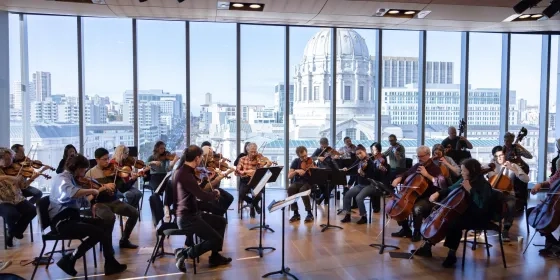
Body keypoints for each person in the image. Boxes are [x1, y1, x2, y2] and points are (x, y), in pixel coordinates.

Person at [49, 154, 127, 277]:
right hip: (62, 222)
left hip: (72, 217)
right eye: (84, 169)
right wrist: (92, 190)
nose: (84, 172)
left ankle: (109, 261)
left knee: (104, 224)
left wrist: (98, 192)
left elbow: (82, 202)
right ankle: (71, 259)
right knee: (99, 232)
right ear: (77, 167)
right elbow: (72, 193)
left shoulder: (73, 179)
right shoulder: (62, 178)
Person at [412, 158, 493, 268]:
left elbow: (482, 205)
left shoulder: (484, 185)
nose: (462, 172)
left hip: (477, 215)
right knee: (436, 212)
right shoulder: (464, 180)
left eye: (464, 170)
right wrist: (438, 193)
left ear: (471, 171)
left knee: (454, 222)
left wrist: (470, 190)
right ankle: (427, 247)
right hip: (463, 212)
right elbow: (451, 188)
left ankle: (451, 255)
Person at [173, 145, 232, 272]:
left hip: (193, 213)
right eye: (201, 158)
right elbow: (202, 196)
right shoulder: (186, 175)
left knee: (221, 221)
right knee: (215, 239)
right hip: (187, 218)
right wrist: (215, 193)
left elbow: (194, 191)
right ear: (197, 158)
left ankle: (215, 256)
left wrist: (207, 180)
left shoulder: (184, 171)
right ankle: (184, 254)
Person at [390, 146, 447, 242]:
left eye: (421, 156)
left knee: (417, 208)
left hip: (428, 197)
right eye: (418, 156)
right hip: (414, 195)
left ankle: (417, 232)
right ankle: (406, 229)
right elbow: (407, 173)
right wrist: (399, 178)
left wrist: (427, 175)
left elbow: (442, 184)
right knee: (398, 204)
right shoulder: (417, 166)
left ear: (428, 155)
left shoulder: (435, 168)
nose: (419, 158)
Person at [85, 148, 139, 249]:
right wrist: (104, 187)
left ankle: (124, 240)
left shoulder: (114, 170)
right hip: (99, 203)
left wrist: (131, 179)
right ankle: (107, 246)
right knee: (110, 218)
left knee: (134, 213)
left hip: (114, 201)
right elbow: (90, 195)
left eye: (108, 158)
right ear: (97, 159)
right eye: (104, 159)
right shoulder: (90, 174)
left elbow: (122, 188)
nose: (107, 161)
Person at [488, 146, 529, 242]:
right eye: (496, 156)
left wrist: (513, 169)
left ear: (505, 155)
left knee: (511, 204)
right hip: (493, 193)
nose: (499, 158)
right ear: (494, 157)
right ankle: (482, 225)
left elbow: (526, 179)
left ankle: (506, 228)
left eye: (501, 155)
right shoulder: (491, 165)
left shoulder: (512, 165)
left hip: (508, 193)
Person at [0, 147, 37, 247]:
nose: (10, 161)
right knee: (12, 214)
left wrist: (31, 179)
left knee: (32, 210)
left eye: (11, 158)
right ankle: (13, 233)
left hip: (18, 198)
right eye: (6, 159)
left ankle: (13, 233)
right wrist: (9, 177)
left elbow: (23, 186)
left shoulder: (15, 169)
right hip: (2, 201)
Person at [340, 144, 386, 224]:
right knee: (347, 195)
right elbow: (352, 167)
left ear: (364, 151)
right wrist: (346, 169)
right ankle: (347, 215)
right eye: (357, 154)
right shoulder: (359, 160)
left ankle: (364, 217)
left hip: (370, 185)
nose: (359, 155)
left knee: (359, 197)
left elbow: (373, 176)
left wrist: (363, 174)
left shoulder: (371, 162)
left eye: (360, 153)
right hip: (361, 185)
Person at [196, 145, 234, 216]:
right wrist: (219, 177)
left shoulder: (208, 165)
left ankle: (219, 214)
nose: (212, 158)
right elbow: (205, 187)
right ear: (203, 156)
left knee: (229, 197)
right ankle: (216, 216)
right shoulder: (199, 167)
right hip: (206, 190)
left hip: (212, 187)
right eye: (210, 156)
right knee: (218, 200)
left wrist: (217, 173)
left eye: (212, 155)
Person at [529, 167, 560, 255]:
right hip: (552, 202)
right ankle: (551, 242)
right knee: (531, 213)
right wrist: (540, 184)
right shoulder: (559, 172)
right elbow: (550, 181)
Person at [147, 141, 179, 217]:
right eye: (161, 148)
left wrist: (173, 162)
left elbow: (168, 169)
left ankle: (166, 206)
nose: (163, 150)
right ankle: (159, 209)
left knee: (170, 187)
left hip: (164, 176)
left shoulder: (166, 158)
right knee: (160, 189)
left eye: (164, 148)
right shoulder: (152, 157)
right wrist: (153, 162)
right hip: (154, 177)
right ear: (157, 148)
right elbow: (144, 164)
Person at [110, 145, 143, 209]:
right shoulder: (113, 164)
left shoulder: (125, 163)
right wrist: (132, 179)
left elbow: (128, 179)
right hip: (118, 187)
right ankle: (122, 210)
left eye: (128, 153)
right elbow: (121, 186)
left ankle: (132, 210)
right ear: (120, 153)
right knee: (129, 195)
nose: (127, 155)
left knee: (139, 194)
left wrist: (133, 177)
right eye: (126, 153)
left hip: (126, 186)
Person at [287, 146, 314, 223]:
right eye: (302, 157)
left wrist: (312, 170)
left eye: (306, 155)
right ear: (298, 156)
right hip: (298, 182)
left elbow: (316, 176)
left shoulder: (311, 161)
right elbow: (289, 176)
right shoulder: (295, 161)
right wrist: (296, 171)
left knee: (303, 190)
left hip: (308, 183)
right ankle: (296, 213)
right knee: (290, 189)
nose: (305, 158)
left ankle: (309, 213)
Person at [236, 142, 264, 216]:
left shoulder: (258, 158)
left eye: (255, 151)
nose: (253, 153)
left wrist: (265, 163)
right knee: (241, 194)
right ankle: (254, 204)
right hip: (245, 180)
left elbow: (262, 169)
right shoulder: (242, 159)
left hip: (256, 180)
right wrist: (247, 172)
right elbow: (237, 170)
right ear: (247, 150)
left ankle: (252, 205)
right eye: (252, 151)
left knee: (258, 195)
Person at [311, 137, 340, 205]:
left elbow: (338, 155)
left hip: (332, 170)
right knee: (320, 183)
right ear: (320, 144)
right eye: (322, 146)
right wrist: (318, 157)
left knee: (333, 183)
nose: (324, 148)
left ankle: (322, 197)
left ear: (327, 144)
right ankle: (325, 197)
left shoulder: (330, 150)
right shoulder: (318, 150)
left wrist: (336, 157)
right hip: (322, 170)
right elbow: (312, 158)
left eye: (325, 146)